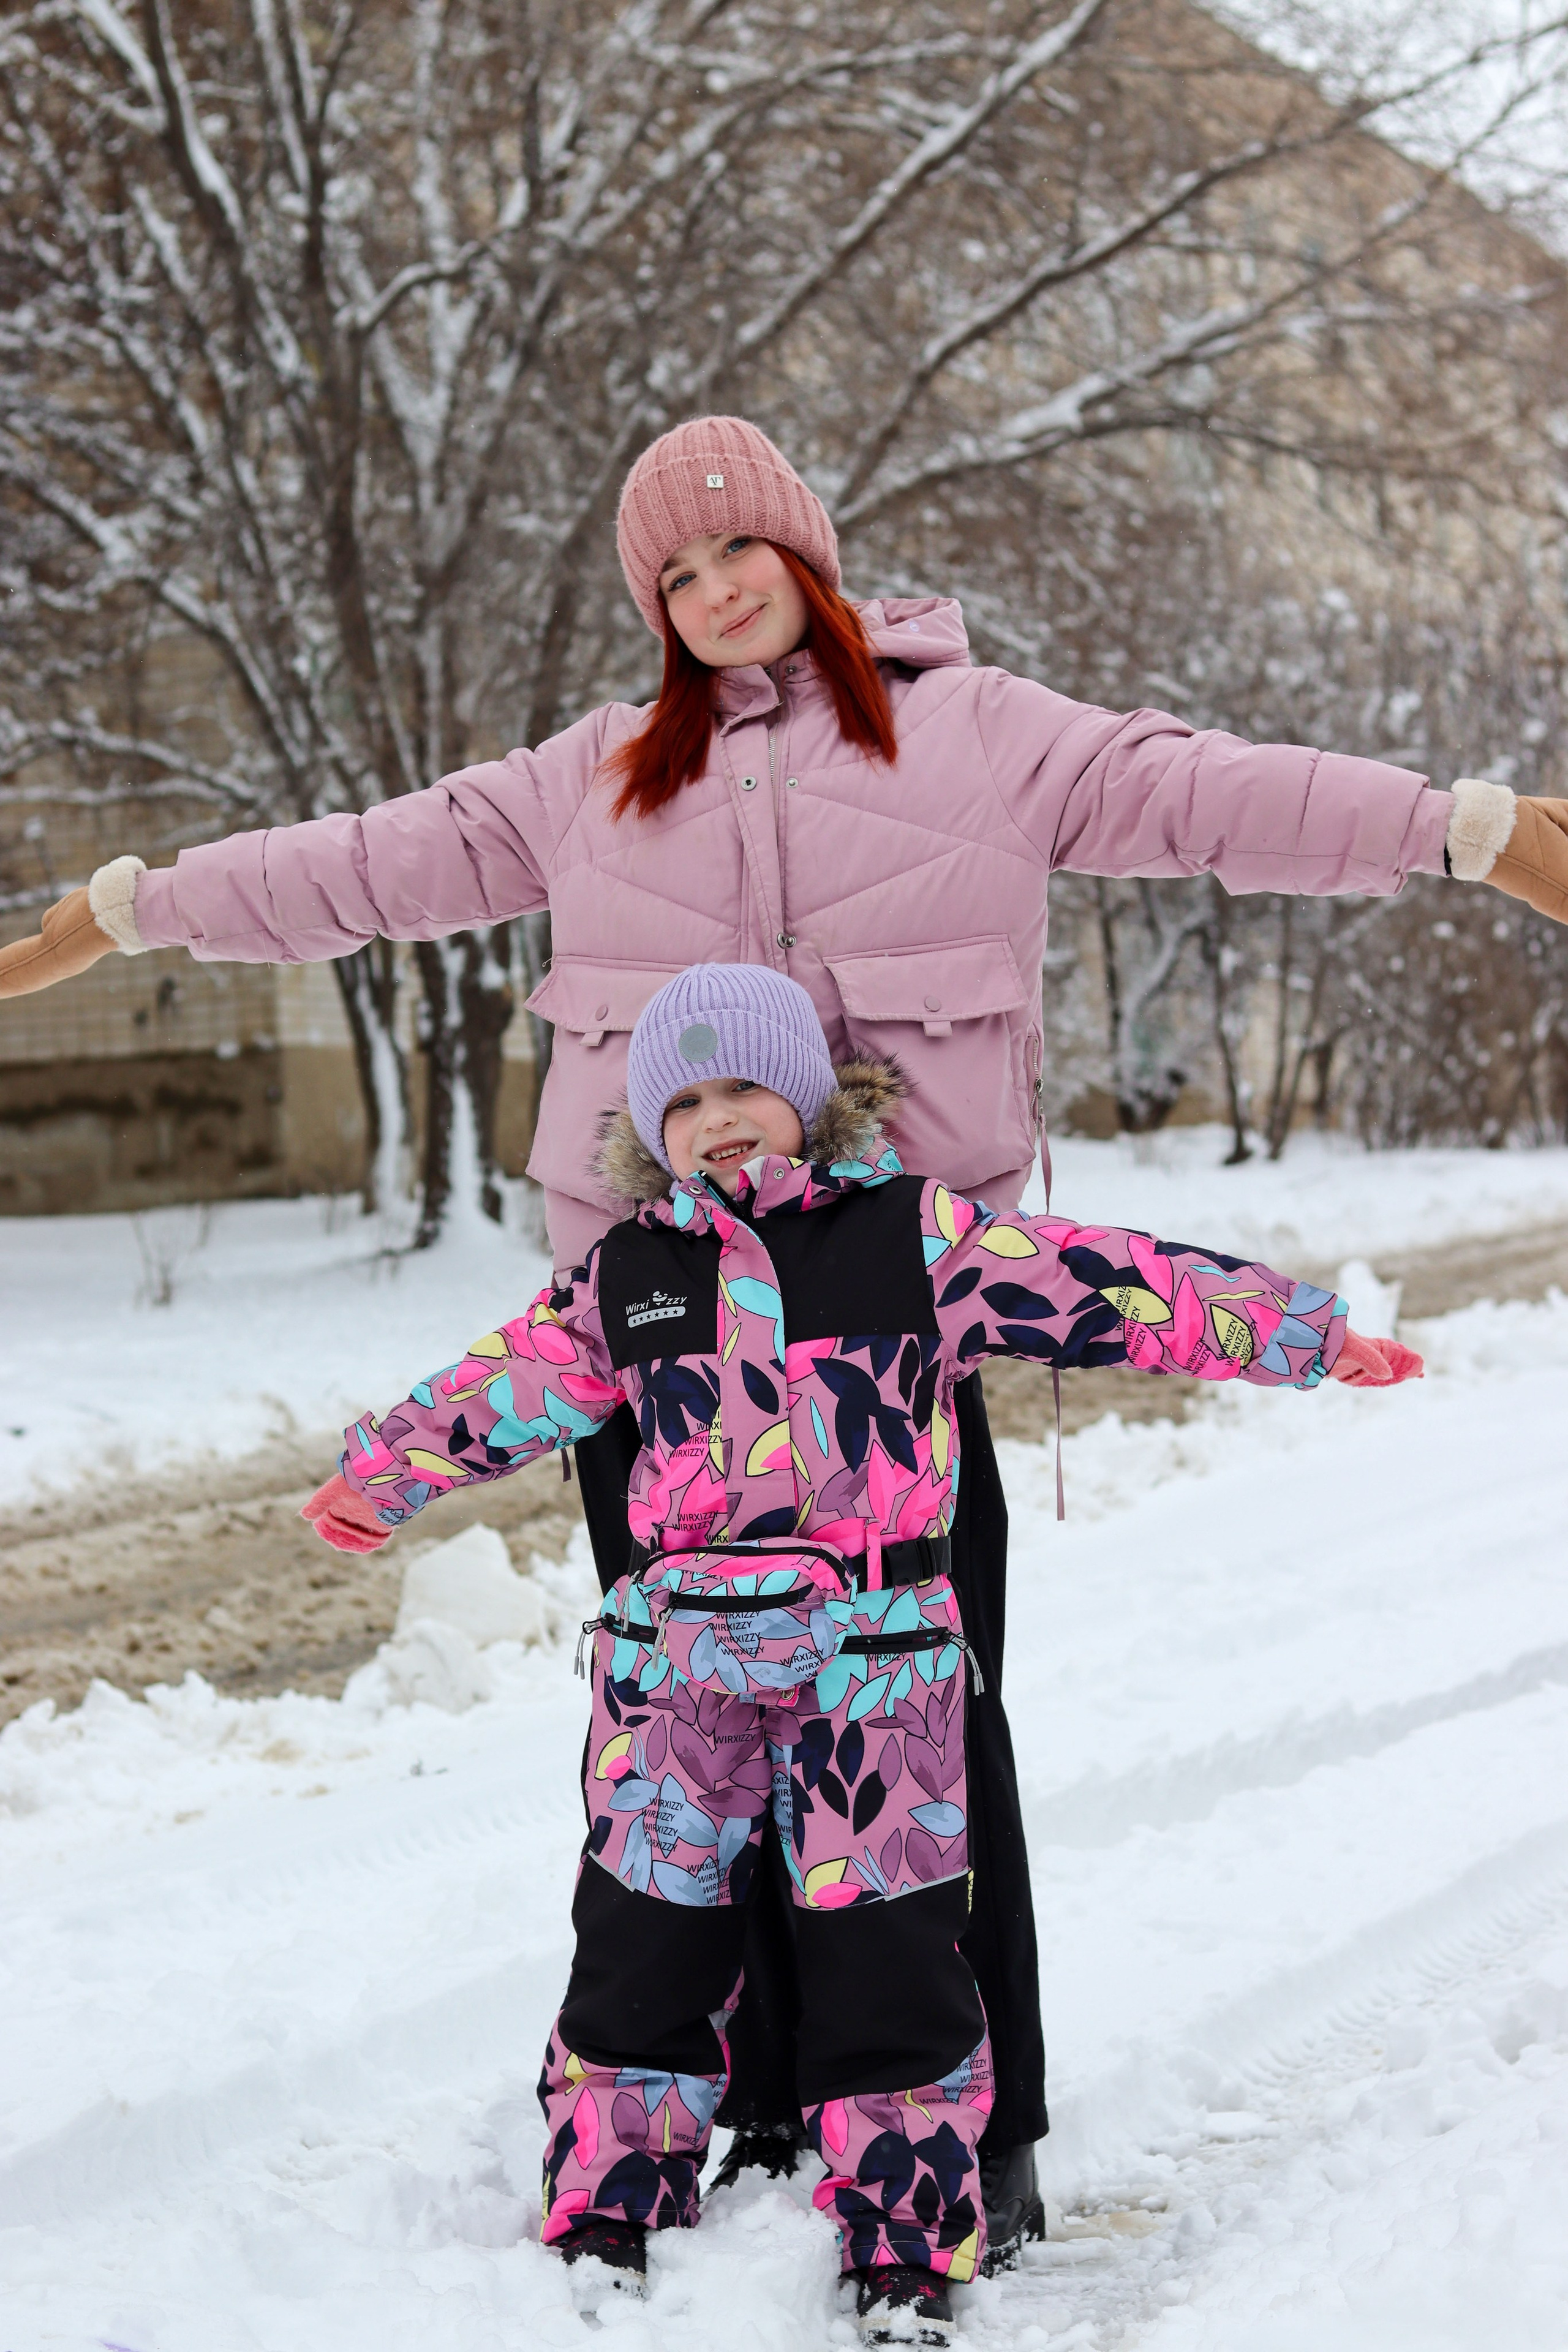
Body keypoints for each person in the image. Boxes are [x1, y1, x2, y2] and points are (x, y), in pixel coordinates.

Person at [0, 413, 1540, 2259]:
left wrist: (1476, 830)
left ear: (807, 555)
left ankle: (979, 2122)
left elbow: (1219, 794)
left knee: (925, 1735)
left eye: (741, 555)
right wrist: (118, 912)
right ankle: (736, 2110)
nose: (716, 593)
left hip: (893, 1337)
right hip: (651, 1355)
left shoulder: (983, 735)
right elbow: (352, 870)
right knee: (688, 1735)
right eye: (675, 575)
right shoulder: (592, 779)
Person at [303, 964, 1419, 2343]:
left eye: (747, 1088)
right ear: (652, 1127)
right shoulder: (631, 1275)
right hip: (677, 1671)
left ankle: (903, 2233)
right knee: (640, 1938)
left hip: (873, 1657)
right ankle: (609, 2200)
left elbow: (1111, 1288)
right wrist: (384, 1472)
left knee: (889, 1948)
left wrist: (1309, 1337)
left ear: (805, 1095)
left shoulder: (914, 1240)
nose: (721, 1121)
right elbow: (504, 1383)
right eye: (688, 1100)